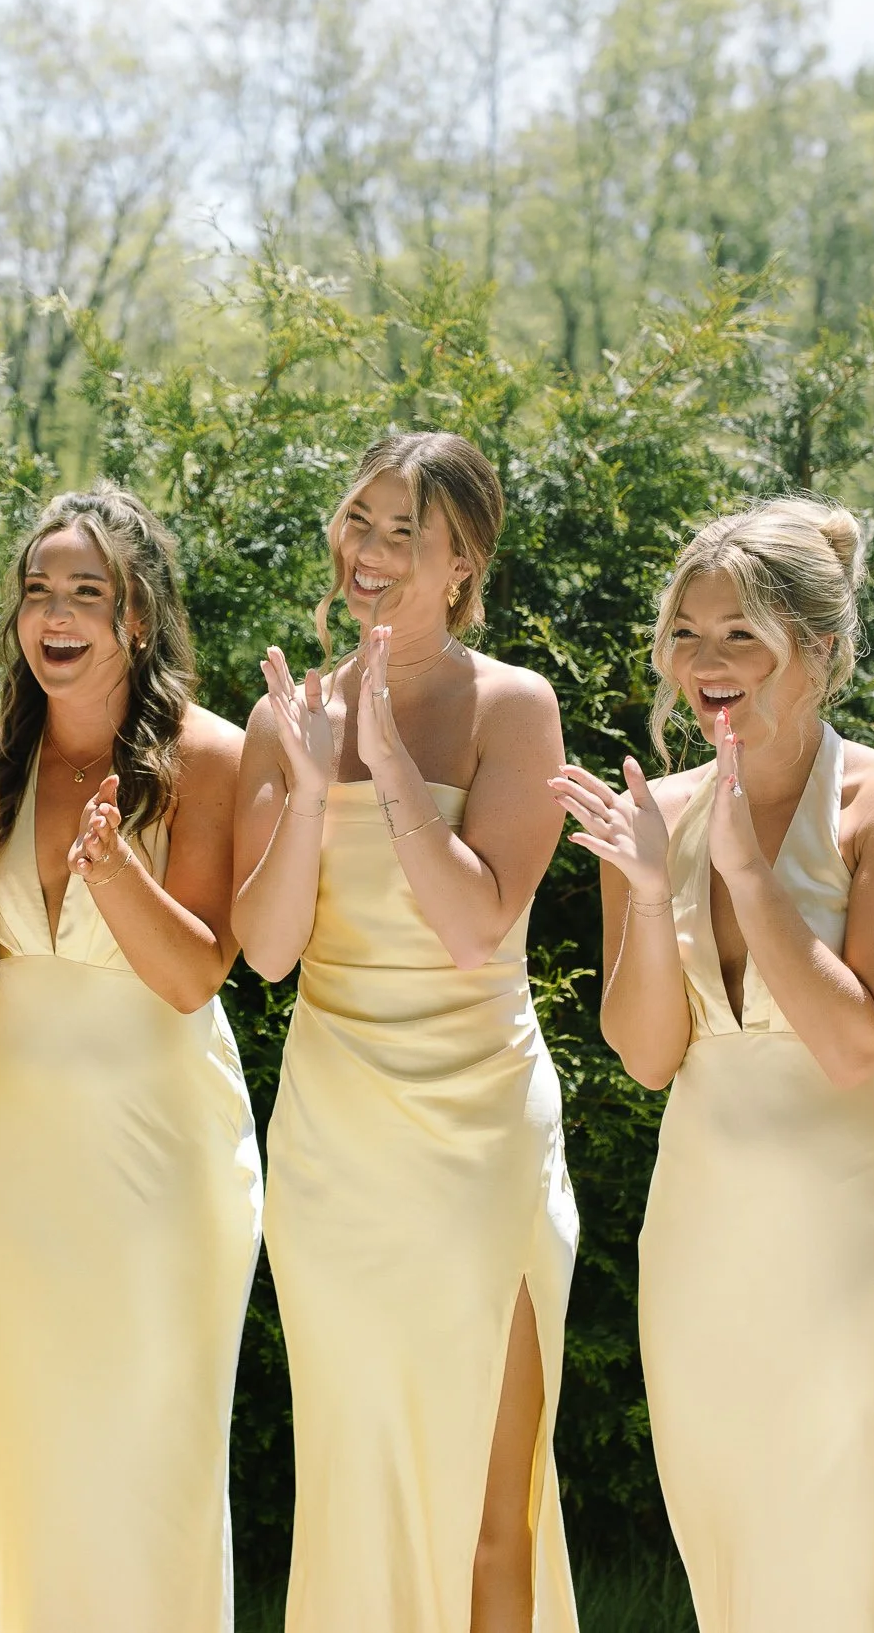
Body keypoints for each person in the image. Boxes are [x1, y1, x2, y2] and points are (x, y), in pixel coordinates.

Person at [0, 483, 259, 1633]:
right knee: (37, 1453)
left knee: (158, 1454)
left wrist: (114, 868)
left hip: (164, 1156)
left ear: (136, 615)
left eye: (87, 591)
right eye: (37, 591)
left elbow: (190, 976)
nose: (55, 614)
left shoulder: (210, 755)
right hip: (15, 1159)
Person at [551, 498, 874, 1633]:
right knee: (729, 1545)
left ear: (819, 648)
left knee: (847, 1547)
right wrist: (648, 886)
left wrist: (742, 866)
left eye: (740, 634)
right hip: (704, 1233)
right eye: (686, 633)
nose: (706, 662)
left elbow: (859, 1040)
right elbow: (645, 1055)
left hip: (858, 1233)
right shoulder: (657, 814)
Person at [233, 433, 578, 1633]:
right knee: (358, 1478)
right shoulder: (283, 715)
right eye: (358, 521)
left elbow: (477, 926)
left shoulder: (512, 706)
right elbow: (268, 950)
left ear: (459, 561)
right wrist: (310, 768)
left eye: (403, 533)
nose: (369, 553)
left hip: (480, 1129)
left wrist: (382, 764)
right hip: (338, 1138)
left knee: (490, 1497)